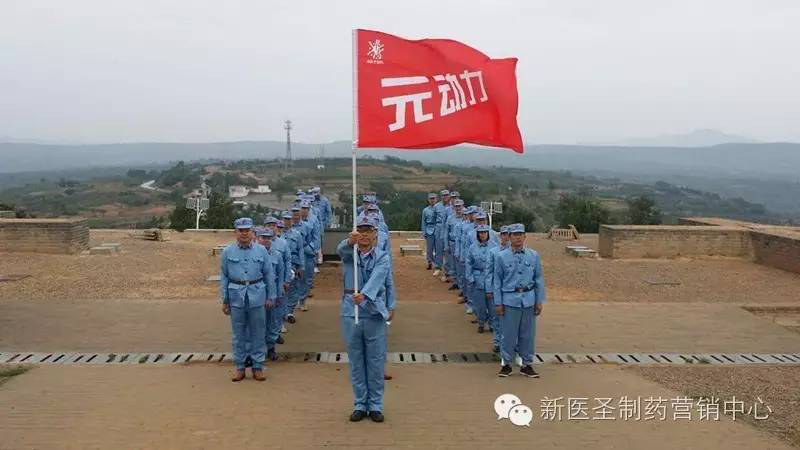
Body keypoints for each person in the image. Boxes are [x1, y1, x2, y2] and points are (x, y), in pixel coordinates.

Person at [337, 216, 393, 423]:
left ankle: (375, 404)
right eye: (360, 231)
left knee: (375, 361)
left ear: (375, 234)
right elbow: (340, 250)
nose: (364, 235)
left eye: (368, 231)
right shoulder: (350, 253)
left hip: (373, 311)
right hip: (351, 312)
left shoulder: (382, 257)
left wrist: (366, 295)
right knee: (356, 360)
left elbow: (381, 278)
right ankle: (360, 403)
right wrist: (348, 242)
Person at [220, 217, 277, 382]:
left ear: (252, 232)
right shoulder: (227, 252)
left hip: (257, 294)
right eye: (241, 230)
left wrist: (271, 296)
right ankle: (240, 366)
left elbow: (269, 274)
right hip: (236, 296)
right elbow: (224, 276)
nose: (244, 233)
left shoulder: (261, 251)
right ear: (235, 232)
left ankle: (257, 366)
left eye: (247, 230)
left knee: (258, 332)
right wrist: (225, 299)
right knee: (238, 334)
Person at [493, 223, 546, 378]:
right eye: (514, 235)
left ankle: (527, 364)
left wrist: (539, 300)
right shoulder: (501, 256)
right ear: (509, 237)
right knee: (508, 334)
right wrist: (498, 303)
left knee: (527, 335)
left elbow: (538, 279)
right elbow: (497, 281)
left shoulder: (533, 255)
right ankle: (506, 364)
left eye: (520, 234)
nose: (518, 237)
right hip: (509, 300)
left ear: (525, 236)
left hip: (528, 300)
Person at [465, 224, 498, 334]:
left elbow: (499, 263)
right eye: (480, 233)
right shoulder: (472, 247)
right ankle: (481, 323)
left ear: (488, 233)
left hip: (491, 278)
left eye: (484, 232)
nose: (483, 234)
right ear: (477, 234)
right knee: (480, 304)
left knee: (492, 304)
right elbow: (468, 263)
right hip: (477, 277)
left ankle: (492, 324)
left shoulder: (494, 246)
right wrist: (470, 278)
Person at [485, 225, 510, 353]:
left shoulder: (515, 252)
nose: (506, 237)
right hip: (496, 288)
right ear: (500, 236)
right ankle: (497, 342)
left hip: (510, 290)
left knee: (510, 319)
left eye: (508, 234)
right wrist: (489, 289)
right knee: (497, 317)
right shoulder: (493, 251)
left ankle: (509, 343)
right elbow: (489, 271)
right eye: (504, 234)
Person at [282, 211, 305, 324]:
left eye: (289, 219)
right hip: (281, 264)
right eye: (285, 219)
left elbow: (300, 250)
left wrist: (301, 266)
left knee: (293, 289)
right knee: (281, 290)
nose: (286, 222)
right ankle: (282, 314)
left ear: (292, 221)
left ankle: (290, 312)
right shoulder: (277, 234)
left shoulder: (297, 234)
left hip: (293, 264)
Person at [445, 199, 464, 291]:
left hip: (462, 244)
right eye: (456, 206)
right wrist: (446, 245)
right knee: (454, 264)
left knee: (461, 265)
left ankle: (462, 286)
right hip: (452, 243)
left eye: (459, 206)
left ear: (463, 206)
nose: (458, 208)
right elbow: (446, 232)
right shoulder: (450, 218)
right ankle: (456, 282)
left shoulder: (466, 218)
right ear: (453, 207)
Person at [432, 189, 451, 277]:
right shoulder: (436, 206)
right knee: (438, 249)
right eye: (443, 195)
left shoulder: (452, 206)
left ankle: (448, 270)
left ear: (449, 196)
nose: (445, 197)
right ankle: (438, 267)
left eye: (447, 195)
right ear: (441, 196)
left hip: (449, 228)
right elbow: (433, 218)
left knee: (448, 250)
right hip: (439, 228)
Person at [421, 193, 438, 271]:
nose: (432, 200)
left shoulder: (439, 209)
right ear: (428, 200)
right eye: (431, 199)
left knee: (438, 248)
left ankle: (438, 263)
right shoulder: (425, 210)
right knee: (429, 248)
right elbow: (423, 222)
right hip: (429, 229)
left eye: (434, 198)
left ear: (436, 199)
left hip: (437, 229)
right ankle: (430, 262)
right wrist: (424, 231)